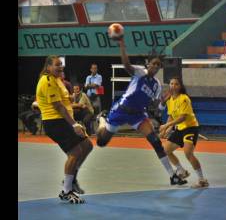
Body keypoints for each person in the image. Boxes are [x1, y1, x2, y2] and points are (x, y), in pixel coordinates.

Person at [95, 37, 187, 186]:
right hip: (121, 111)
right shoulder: (140, 73)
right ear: (148, 64)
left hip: (138, 115)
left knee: (156, 142)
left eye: (158, 65)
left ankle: (172, 176)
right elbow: (126, 64)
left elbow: (157, 106)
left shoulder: (156, 85)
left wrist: (163, 102)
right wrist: (122, 46)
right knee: (101, 141)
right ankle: (102, 119)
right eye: (154, 63)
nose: (156, 66)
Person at [36, 55, 93, 204]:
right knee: (75, 152)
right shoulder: (48, 81)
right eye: (57, 65)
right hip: (55, 122)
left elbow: (64, 101)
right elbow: (58, 107)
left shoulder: (57, 80)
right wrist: (74, 124)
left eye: (61, 64)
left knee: (87, 145)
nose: (60, 67)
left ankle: (71, 178)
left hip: (63, 120)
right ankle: (66, 191)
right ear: (48, 67)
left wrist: (71, 100)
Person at [159, 77, 209, 188]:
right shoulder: (170, 100)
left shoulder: (184, 98)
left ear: (180, 86)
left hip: (190, 128)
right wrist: (165, 130)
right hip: (180, 129)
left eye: (176, 84)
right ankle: (181, 171)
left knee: (188, 153)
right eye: (171, 84)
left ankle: (202, 180)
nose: (173, 86)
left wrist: (167, 126)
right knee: (166, 150)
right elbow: (171, 116)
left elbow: (182, 117)